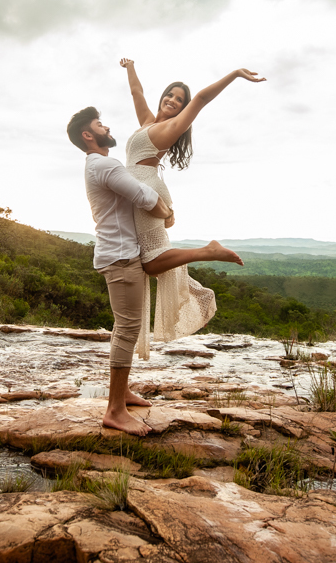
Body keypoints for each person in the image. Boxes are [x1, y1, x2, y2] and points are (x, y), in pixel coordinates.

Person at [67, 106, 243, 436]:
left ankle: (122, 394)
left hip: (120, 254)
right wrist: (165, 211)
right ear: (88, 135)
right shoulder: (103, 164)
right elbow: (143, 195)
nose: (107, 127)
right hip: (120, 259)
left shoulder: (97, 165)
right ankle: (115, 410)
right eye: (99, 125)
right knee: (128, 327)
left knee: (128, 327)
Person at [119, 59, 265, 357]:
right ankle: (202, 261)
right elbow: (137, 93)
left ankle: (208, 252)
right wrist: (130, 67)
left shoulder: (170, 128)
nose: (173, 100)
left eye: (179, 99)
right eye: (170, 95)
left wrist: (235, 74)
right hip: (140, 191)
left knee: (150, 262)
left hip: (146, 191)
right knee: (146, 262)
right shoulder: (149, 122)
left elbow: (201, 98)